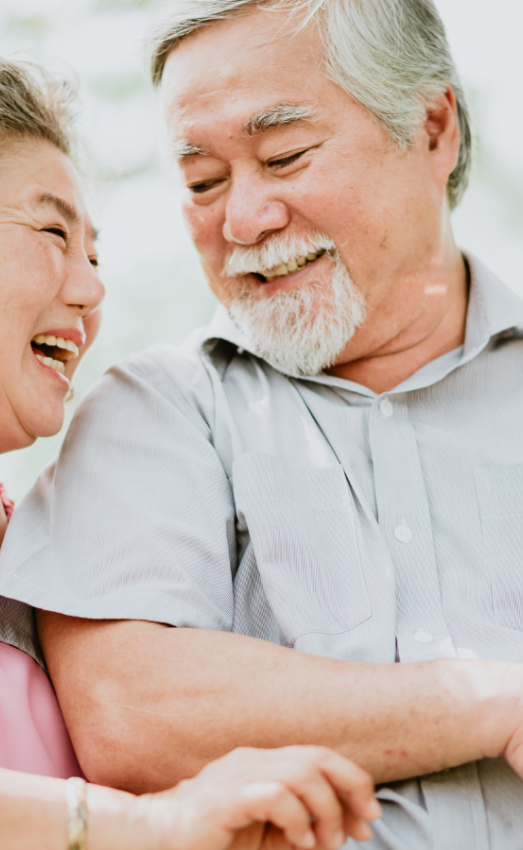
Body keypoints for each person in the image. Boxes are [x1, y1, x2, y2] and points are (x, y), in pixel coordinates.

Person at [1, 0, 523, 846]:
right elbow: (131, 712)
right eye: (203, 183)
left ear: (432, 130)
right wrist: (492, 704)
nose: (242, 221)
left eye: (284, 156)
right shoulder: (159, 409)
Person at [0, 57, 380, 849]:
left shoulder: (42, 553)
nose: (91, 289)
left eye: (95, 256)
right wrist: (142, 825)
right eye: (50, 232)